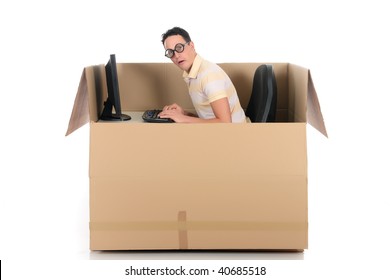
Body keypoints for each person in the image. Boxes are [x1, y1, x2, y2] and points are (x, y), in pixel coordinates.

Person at [158, 27, 246, 123]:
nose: (176, 56)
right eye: (170, 52)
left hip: (233, 135)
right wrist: (183, 114)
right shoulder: (193, 73)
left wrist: (183, 119)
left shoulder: (209, 75)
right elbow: (208, 119)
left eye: (179, 47)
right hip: (218, 132)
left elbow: (225, 123)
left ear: (191, 45)